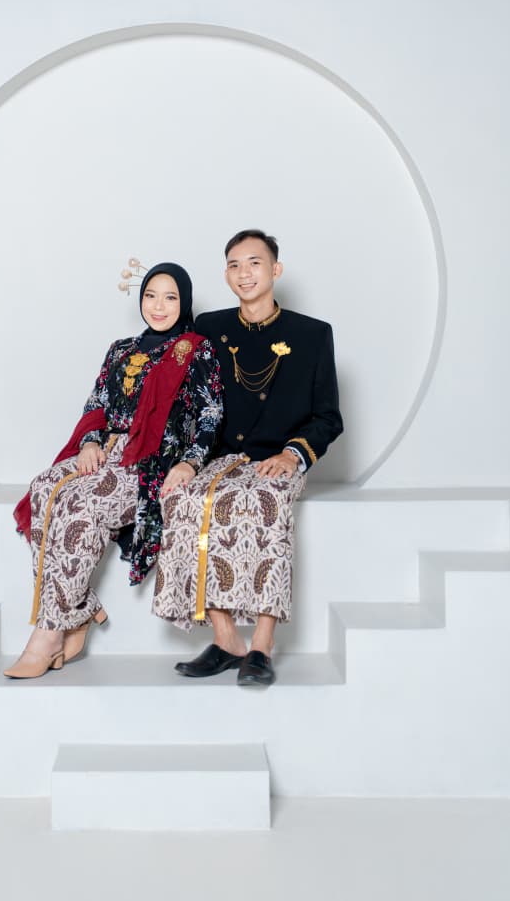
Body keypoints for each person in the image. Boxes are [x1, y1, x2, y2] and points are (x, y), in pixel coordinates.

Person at [5, 262, 223, 679]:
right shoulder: (120, 349)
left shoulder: (196, 350)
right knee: (44, 488)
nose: (158, 306)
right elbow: (97, 403)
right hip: (107, 451)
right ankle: (80, 608)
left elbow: (211, 414)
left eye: (170, 297)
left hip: (152, 461)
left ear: (184, 302)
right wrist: (89, 442)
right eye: (150, 296)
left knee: (80, 506)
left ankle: (48, 634)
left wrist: (189, 462)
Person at [152, 230, 343, 686]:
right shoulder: (209, 327)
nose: (245, 273)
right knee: (181, 500)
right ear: (226, 275)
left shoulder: (313, 334)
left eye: (255, 263)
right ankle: (226, 641)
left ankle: (260, 645)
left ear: (275, 270)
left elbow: (328, 417)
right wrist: (182, 458)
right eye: (235, 265)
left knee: (265, 505)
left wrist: (293, 454)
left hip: (278, 457)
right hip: (220, 456)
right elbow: (181, 388)